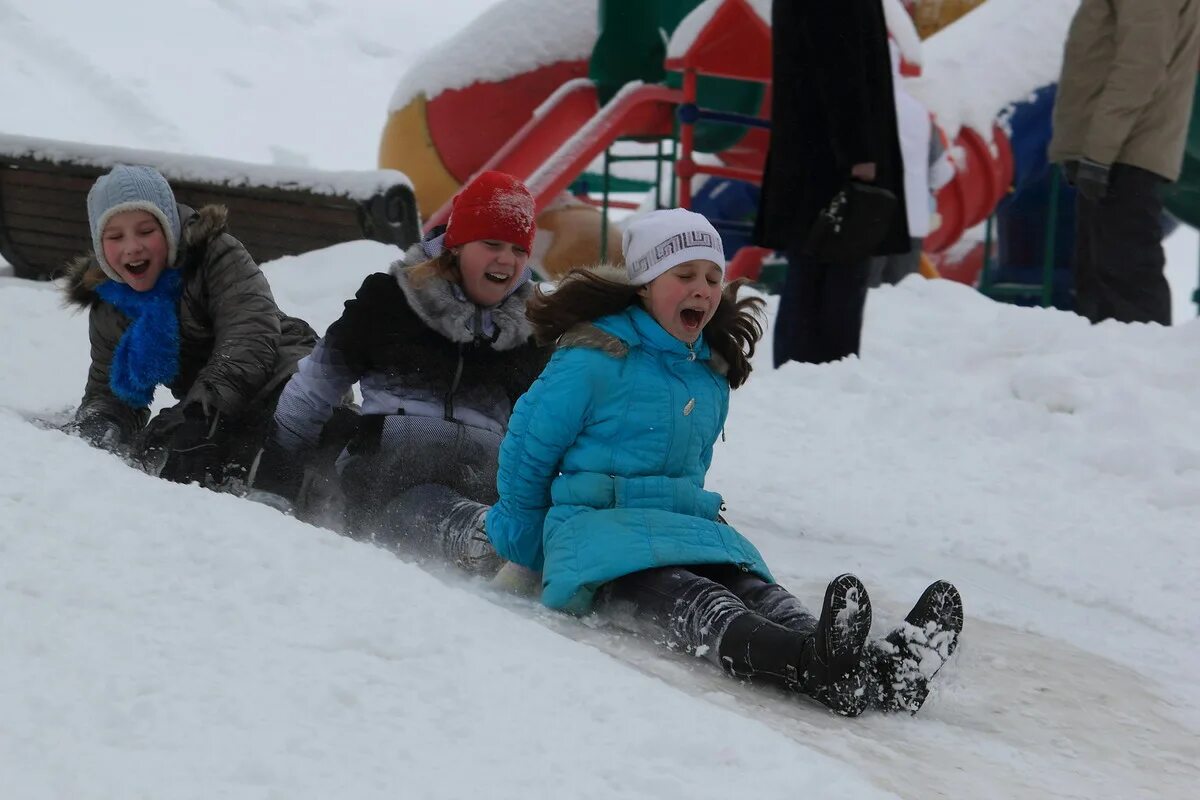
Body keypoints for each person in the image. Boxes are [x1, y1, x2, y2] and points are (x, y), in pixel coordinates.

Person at [485, 208, 962, 715]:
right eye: (684, 275)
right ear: (645, 284)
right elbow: (527, 450)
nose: (703, 289)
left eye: (713, 277)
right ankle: (807, 664)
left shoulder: (708, 375)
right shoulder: (594, 356)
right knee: (697, 600)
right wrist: (523, 547)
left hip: (683, 524)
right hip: (599, 534)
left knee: (756, 590)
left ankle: (879, 671)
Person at [252, 171, 548, 573]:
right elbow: (314, 389)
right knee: (415, 503)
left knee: (508, 510)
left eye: (518, 249)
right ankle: (483, 539)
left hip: (481, 484)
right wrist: (274, 482)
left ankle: (515, 545)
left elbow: (544, 431)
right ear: (456, 247)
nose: (507, 260)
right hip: (387, 479)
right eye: (491, 244)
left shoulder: (525, 332)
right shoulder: (391, 300)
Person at [63, 164, 316, 486]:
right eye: (115, 236)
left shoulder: (216, 254)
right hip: (214, 402)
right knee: (156, 449)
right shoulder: (111, 304)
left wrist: (201, 411)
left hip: (286, 376)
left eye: (145, 231)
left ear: (169, 229)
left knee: (264, 446)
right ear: (100, 247)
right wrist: (102, 420)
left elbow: (250, 333)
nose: (132, 247)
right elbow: (110, 387)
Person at [754, 1, 910, 365]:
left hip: (812, 158)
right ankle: (825, 369)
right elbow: (840, 67)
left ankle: (805, 370)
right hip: (832, 162)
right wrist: (858, 153)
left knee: (812, 268)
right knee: (838, 270)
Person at [1049, 0, 1200, 325]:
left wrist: (1098, 152)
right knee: (1101, 280)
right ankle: (1110, 368)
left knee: (1124, 283)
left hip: (1124, 151)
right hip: (1117, 149)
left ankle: (1138, 368)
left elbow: (1141, 65)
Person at [869, 40, 955, 288]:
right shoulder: (919, 113)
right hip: (910, 225)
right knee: (902, 298)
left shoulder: (856, 106)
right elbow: (941, 172)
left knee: (865, 300)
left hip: (865, 220)